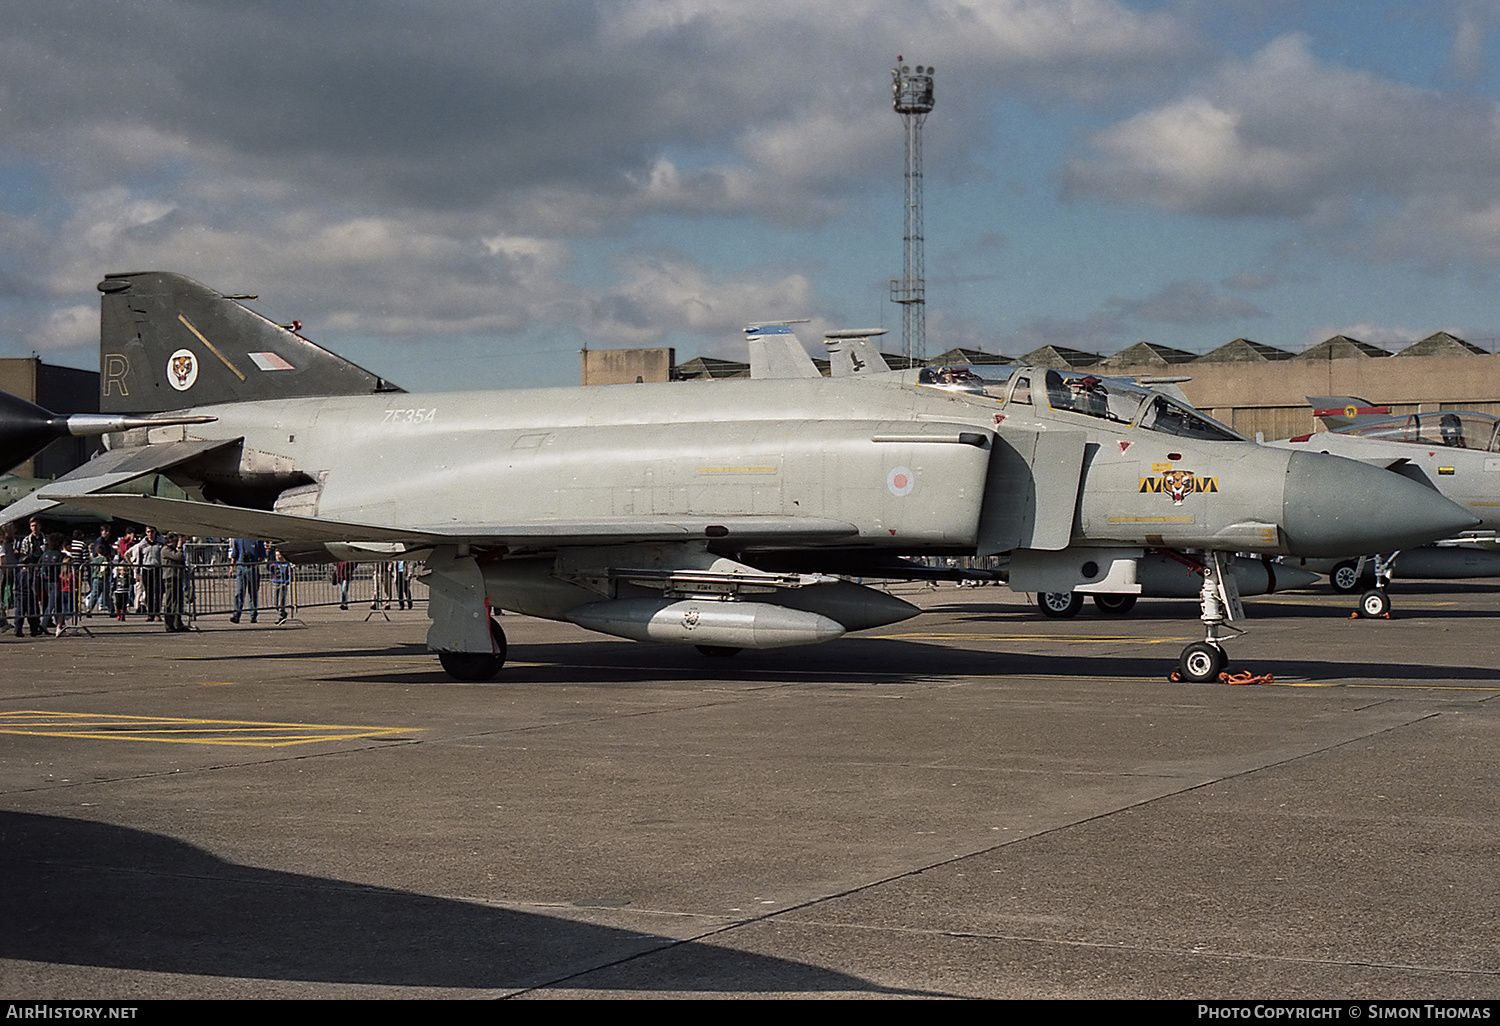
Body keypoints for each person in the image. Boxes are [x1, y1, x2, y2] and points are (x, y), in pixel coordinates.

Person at [229, 537, 266, 623]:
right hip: (241, 566)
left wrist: (256, 563)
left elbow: (262, 555)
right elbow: (235, 554)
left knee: (253, 592)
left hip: (252, 567)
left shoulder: (257, 539)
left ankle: (253, 615)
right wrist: (231, 567)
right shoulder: (238, 539)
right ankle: (236, 615)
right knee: (239, 592)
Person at [161, 533, 188, 632]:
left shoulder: (172, 550)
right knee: (170, 601)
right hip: (170, 578)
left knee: (178, 602)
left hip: (177, 577)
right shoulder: (166, 550)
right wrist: (180, 546)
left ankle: (178, 623)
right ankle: (169, 624)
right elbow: (178, 557)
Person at [269, 549, 291, 624]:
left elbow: (289, 573)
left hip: (283, 583)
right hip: (275, 582)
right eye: (277, 555)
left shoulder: (285, 563)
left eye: (279, 555)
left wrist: (287, 581)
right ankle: (283, 612)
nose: (278, 557)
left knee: (281, 602)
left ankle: (281, 616)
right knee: (275, 602)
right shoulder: (274, 563)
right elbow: (269, 568)